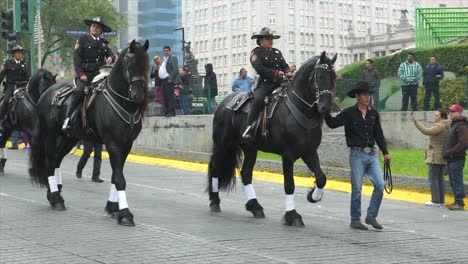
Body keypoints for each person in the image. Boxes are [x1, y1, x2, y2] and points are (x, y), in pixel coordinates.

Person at [324, 81, 391, 230]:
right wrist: (325, 111)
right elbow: (333, 123)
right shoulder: (348, 113)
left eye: (369, 95)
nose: (368, 97)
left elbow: (378, 134)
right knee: (357, 189)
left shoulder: (374, 113)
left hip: (372, 154)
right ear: (357, 96)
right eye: (365, 95)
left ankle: (371, 216)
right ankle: (355, 220)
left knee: (380, 185)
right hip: (357, 155)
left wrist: (386, 153)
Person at [62, 17, 115, 132]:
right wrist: (81, 74)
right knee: (79, 92)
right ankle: (68, 120)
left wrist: (111, 57)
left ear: (101, 31)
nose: (95, 28)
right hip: (86, 75)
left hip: (101, 74)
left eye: (98, 27)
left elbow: (112, 55)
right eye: (93, 26)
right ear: (90, 28)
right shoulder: (82, 40)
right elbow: (77, 58)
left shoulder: (104, 43)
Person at [243, 27, 291, 141]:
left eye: (271, 38)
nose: (271, 41)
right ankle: (249, 128)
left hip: (280, 83)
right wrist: (275, 73)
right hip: (265, 84)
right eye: (267, 38)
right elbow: (259, 68)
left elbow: (284, 65)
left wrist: (288, 71)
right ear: (260, 40)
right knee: (258, 100)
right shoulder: (256, 52)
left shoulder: (277, 52)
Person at [411, 109, 450, 206]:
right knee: (440, 178)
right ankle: (441, 200)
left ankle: (435, 200)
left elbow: (426, 131)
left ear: (442, 117)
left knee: (433, 178)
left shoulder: (440, 126)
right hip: (442, 155)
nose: (434, 117)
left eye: (437, 115)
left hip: (435, 156)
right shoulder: (448, 125)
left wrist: (416, 122)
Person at [0, 45, 30, 135]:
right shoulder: (8, 63)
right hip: (11, 86)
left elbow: (28, 77)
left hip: (22, 87)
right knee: (5, 101)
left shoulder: (24, 64)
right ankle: (1, 121)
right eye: (18, 53)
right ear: (13, 54)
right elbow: (1, 76)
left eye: (21, 52)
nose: (20, 54)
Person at [443, 104, 468, 210]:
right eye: (449, 112)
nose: (450, 114)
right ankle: (457, 201)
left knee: (457, 180)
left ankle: (460, 203)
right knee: (453, 180)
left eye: (453, 112)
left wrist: (451, 152)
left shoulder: (462, 125)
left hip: (457, 157)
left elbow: (463, 142)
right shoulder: (454, 124)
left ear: (460, 112)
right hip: (451, 158)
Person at [159, 46, 181, 117]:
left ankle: (172, 112)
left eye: (167, 51)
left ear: (170, 51)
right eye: (164, 51)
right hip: (163, 81)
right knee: (165, 96)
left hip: (169, 80)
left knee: (170, 96)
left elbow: (175, 70)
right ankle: (167, 111)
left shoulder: (173, 57)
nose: (166, 52)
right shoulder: (164, 59)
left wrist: (170, 78)